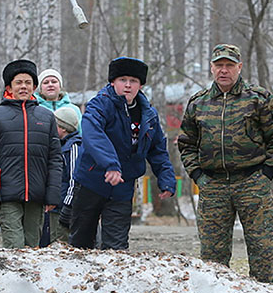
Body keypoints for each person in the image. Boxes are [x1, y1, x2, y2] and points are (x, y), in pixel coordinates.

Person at [177, 44, 273, 283]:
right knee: (212, 256)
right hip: (213, 186)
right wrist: (198, 175)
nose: (224, 71)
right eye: (219, 65)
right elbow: (186, 143)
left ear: (239, 67)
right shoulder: (199, 103)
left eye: (229, 65)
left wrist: (267, 172)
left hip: (252, 183)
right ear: (211, 68)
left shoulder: (258, 98)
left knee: (262, 249)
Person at [69, 56, 177, 251]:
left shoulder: (149, 114)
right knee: (81, 244)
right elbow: (92, 133)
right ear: (113, 82)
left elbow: (157, 149)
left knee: (116, 248)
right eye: (123, 80)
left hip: (123, 186)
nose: (128, 85)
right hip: (92, 181)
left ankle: (113, 280)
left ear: (140, 86)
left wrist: (166, 178)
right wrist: (110, 164)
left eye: (133, 81)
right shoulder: (100, 104)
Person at [0, 59, 62, 249]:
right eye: (19, 82)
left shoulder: (46, 117)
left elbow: (55, 159)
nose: (23, 87)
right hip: (7, 195)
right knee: (14, 247)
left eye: (28, 82)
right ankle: (11, 280)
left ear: (34, 87)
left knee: (32, 247)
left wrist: (52, 195)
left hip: (37, 195)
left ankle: (28, 280)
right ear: (10, 86)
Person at [34, 68, 83, 247]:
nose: (50, 85)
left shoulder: (73, 110)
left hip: (63, 186)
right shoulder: (35, 108)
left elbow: (81, 136)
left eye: (54, 81)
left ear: (60, 86)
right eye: (45, 82)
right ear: (39, 88)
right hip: (43, 172)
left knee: (59, 230)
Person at [47, 106, 83, 246]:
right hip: (57, 205)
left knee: (62, 243)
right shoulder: (61, 145)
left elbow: (75, 178)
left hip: (65, 207)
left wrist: (68, 205)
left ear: (63, 128)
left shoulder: (73, 147)